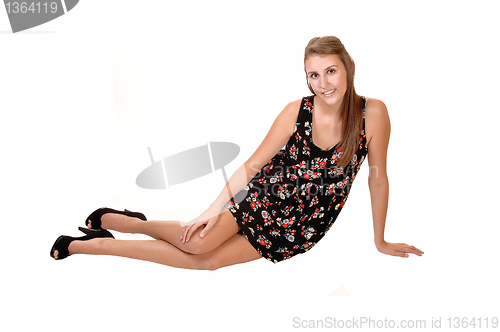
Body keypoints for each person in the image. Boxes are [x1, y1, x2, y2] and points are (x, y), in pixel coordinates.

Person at [50, 36, 424, 269]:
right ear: (306, 78)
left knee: (205, 263)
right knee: (197, 243)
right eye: (314, 75)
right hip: (264, 196)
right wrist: (211, 211)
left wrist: (380, 240)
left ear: (348, 69)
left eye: (331, 71)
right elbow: (254, 164)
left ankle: (124, 226)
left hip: (304, 223)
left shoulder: (372, 113)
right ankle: (101, 240)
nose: (323, 83)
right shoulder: (297, 111)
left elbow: (378, 179)